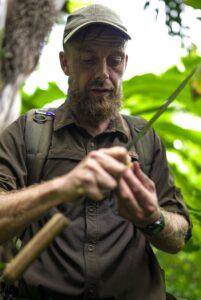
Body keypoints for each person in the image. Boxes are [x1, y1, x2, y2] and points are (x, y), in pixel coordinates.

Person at [0, 4, 191, 300]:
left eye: (114, 61)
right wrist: (63, 187)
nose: (103, 73)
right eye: (88, 60)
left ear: (125, 63)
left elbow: (178, 236)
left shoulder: (145, 139)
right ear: (65, 63)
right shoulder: (28, 133)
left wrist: (152, 218)